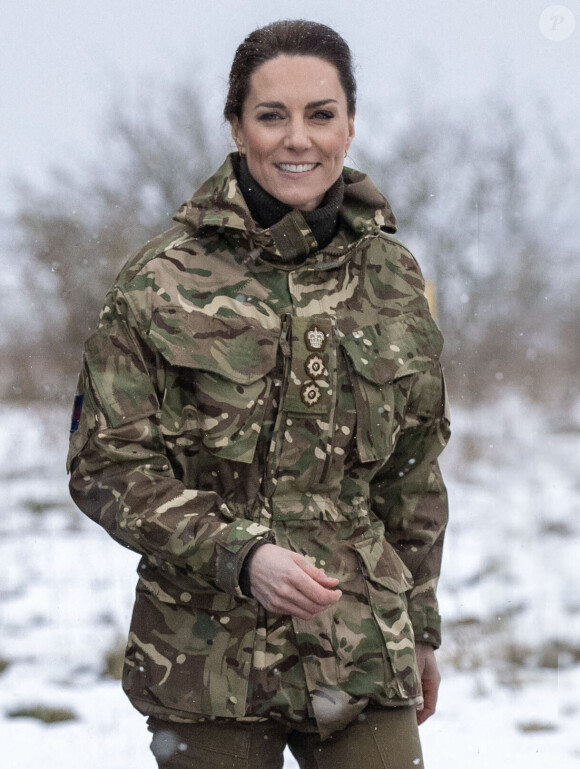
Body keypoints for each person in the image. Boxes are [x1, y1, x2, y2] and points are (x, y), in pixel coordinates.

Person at [67, 19, 450, 769]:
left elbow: (413, 470)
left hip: (362, 647)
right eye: (272, 115)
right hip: (206, 658)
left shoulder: (395, 281)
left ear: (349, 125)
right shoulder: (159, 281)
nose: (297, 138)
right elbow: (106, 468)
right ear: (237, 127)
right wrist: (243, 556)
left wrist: (421, 624)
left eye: (321, 114)